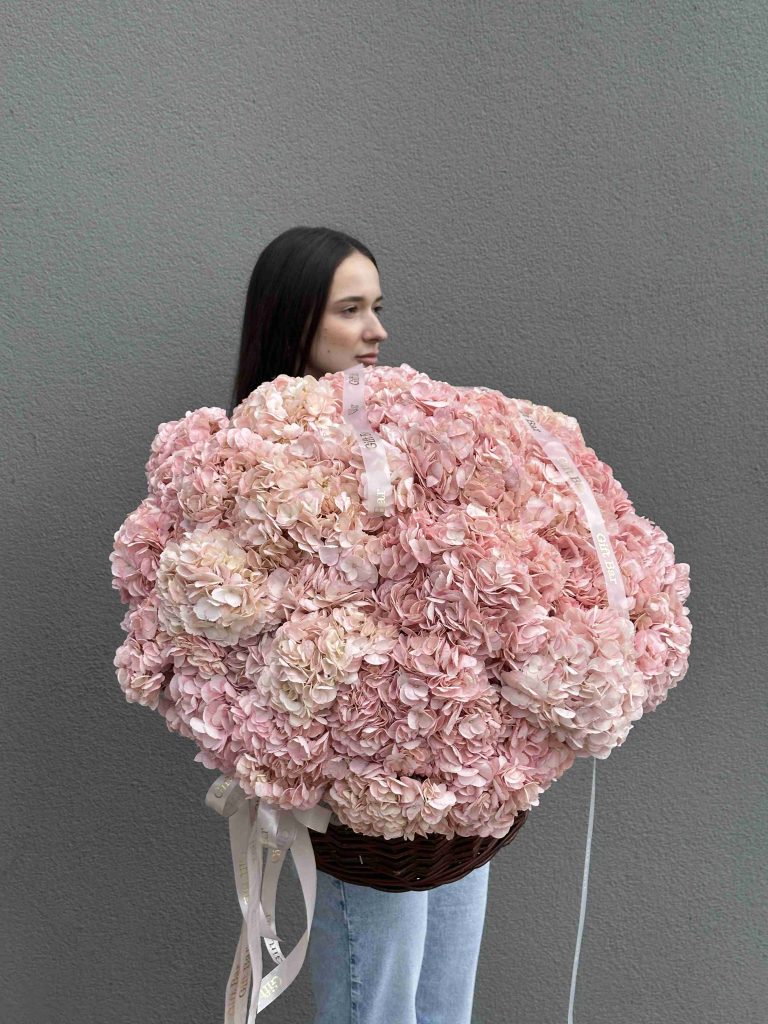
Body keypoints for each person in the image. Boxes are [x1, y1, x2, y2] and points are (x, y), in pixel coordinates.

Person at [232, 226, 492, 1024]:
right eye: (351, 310)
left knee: (444, 1008)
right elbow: (240, 636)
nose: (376, 329)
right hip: (356, 795)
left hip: (454, 791)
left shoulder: (407, 434)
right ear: (296, 318)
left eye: (377, 307)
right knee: (376, 1011)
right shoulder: (246, 458)